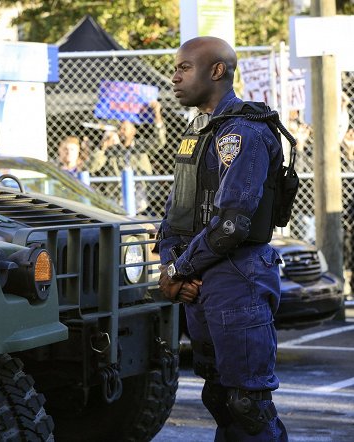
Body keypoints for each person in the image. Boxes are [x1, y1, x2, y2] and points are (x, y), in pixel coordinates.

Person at [157, 36, 288, 441]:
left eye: (184, 68)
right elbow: (176, 212)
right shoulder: (200, 130)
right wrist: (171, 265)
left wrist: (179, 269)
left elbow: (232, 223)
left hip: (238, 279)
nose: (174, 77)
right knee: (218, 396)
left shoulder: (243, 132)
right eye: (175, 67)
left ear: (217, 71)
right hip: (201, 280)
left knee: (248, 405)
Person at [89, 100, 166, 214]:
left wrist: (157, 114)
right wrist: (102, 146)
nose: (121, 131)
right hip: (118, 201)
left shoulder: (141, 147)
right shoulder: (111, 150)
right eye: (119, 128)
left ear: (133, 131)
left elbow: (159, 141)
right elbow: (92, 167)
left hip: (143, 202)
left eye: (124, 128)